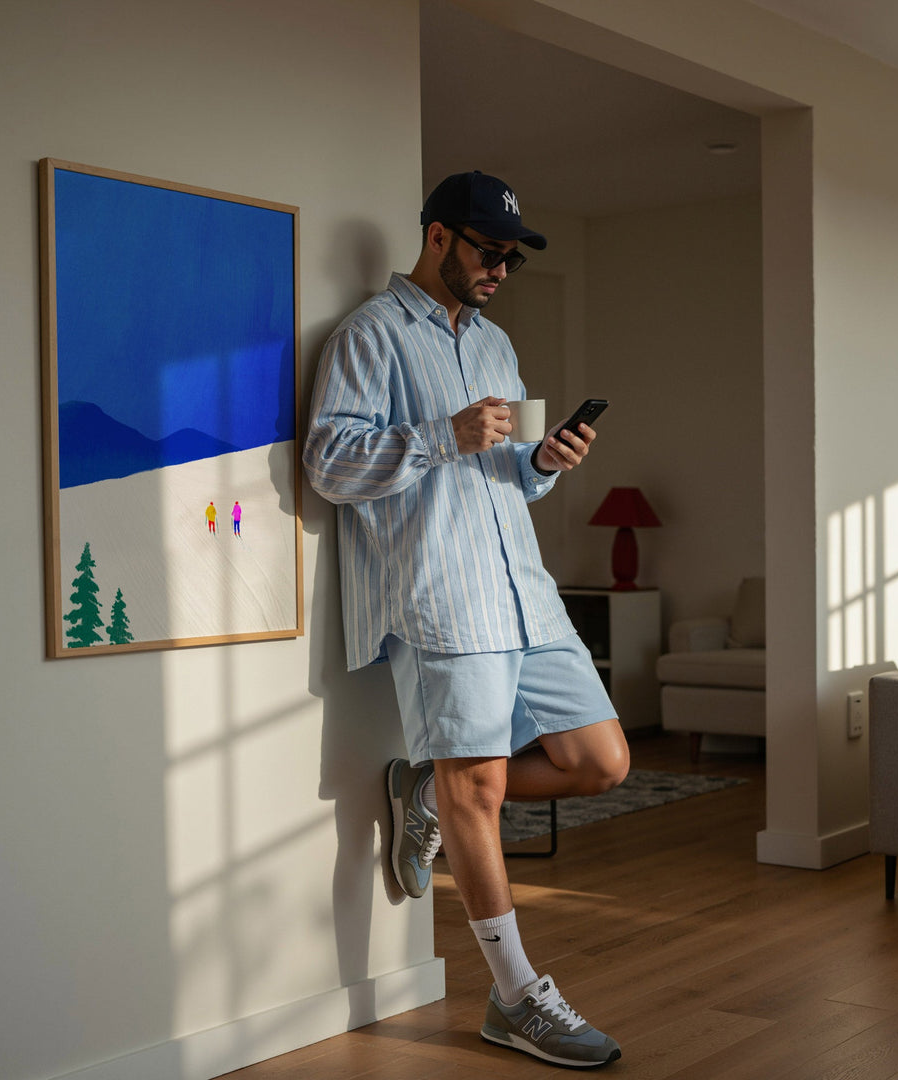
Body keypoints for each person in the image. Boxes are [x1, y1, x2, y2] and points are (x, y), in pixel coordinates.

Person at [303, 171, 628, 1069]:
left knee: (601, 761)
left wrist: (545, 461)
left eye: (512, 258)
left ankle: (426, 790)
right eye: (490, 251)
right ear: (439, 237)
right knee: (477, 789)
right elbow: (328, 464)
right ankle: (515, 996)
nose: (500, 270)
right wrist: (444, 434)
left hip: (526, 588)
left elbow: (506, 470)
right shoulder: (369, 335)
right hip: (441, 595)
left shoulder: (495, 344)